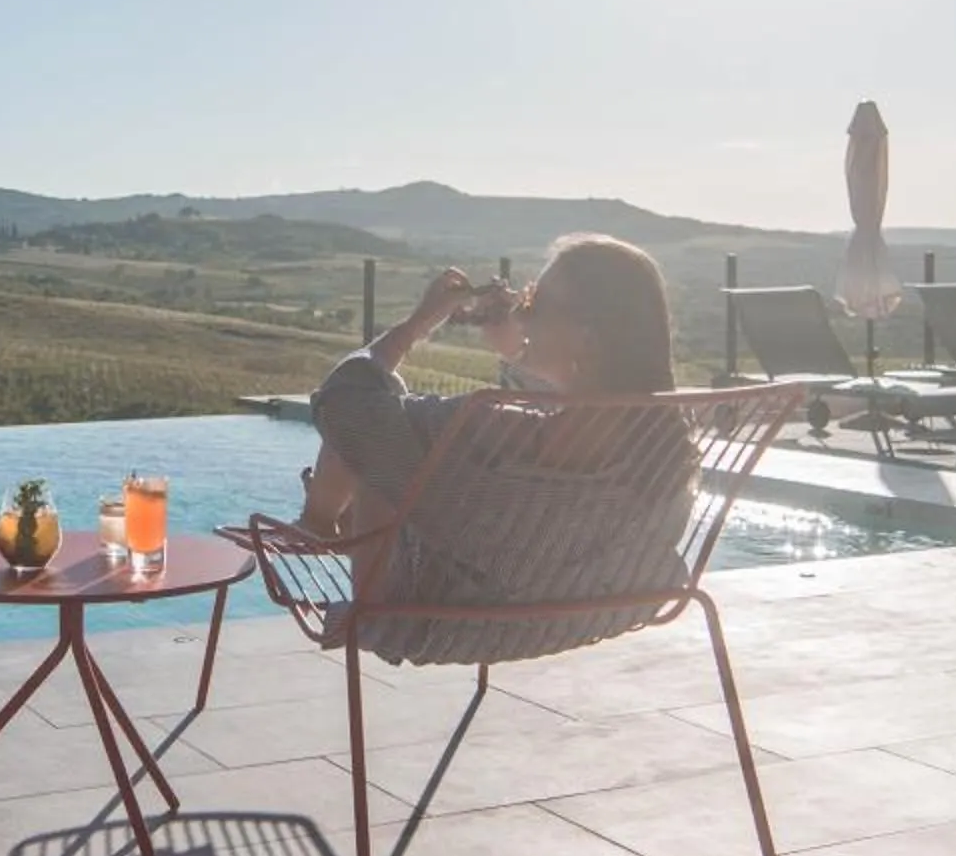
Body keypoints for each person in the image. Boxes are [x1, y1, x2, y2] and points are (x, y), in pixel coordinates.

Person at [296, 235, 697, 662]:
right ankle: (317, 521)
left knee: (376, 427)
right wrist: (513, 346)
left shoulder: (491, 431)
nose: (522, 314)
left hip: (423, 615)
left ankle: (314, 523)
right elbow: (580, 390)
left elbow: (344, 398)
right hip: (583, 604)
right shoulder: (661, 444)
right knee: (383, 438)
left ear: (587, 338)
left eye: (533, 303)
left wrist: (420, 323)